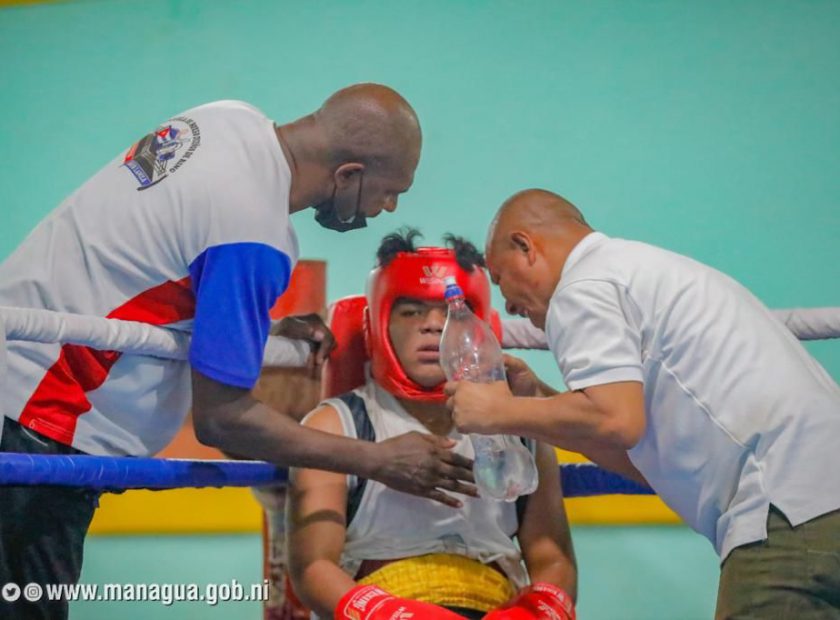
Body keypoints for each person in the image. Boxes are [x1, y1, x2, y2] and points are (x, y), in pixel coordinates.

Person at [0, 84, 478, 620]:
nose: (387, 208)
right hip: (37, 415)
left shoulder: (227, 120)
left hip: (18, 379)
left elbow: (146, 266)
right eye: (389, 192)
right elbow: (222, 420)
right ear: (348, 174)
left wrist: (258, 328)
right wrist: (377, 459)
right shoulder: (253, 233)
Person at [446, 188, 840, 619]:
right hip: (816, 499)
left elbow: (616, 421)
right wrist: (536, 398)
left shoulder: (582, 286)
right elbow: (635, 453)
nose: (507, 304)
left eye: (500, 278)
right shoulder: (639, 270)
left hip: (788, 505)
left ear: (526, 246)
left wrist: (497, 411)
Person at [287, 230, 577, 620]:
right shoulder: (336, 425)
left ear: (480, 326)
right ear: (377, 325)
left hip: (498, 603)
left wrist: (532, 614)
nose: (433, 326)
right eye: (411, 312)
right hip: (380, 600)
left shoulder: (521, 423)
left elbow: (552, 556)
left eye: (452, 311)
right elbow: (313, 566)